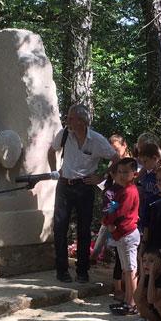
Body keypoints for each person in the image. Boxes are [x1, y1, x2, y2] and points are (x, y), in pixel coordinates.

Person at [49, 104, 118, 284]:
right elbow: (52, 150)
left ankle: (82, 271)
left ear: (81, 121)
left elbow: (116, 158)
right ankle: (62, 270)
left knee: (84, 229)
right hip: (64, 185)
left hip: (84, 187)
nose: (68, 121)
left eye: (71, 118)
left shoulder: (96, 140)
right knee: (60, 227)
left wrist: (101, 176)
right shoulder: (64, 134)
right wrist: (55, 171)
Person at [104, 158, 141, 315]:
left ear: (134, 174)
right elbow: (113, 208)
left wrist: (107, 221)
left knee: (131, 270)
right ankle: (127, 300)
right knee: (126, 270)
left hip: (127, 232)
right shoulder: (121, 190)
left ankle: (132, 302)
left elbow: (121, 213)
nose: (121, 175)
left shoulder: (129, 191)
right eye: (119, 172)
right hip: (120, 233)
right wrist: (108, 220)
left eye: (126, 172)